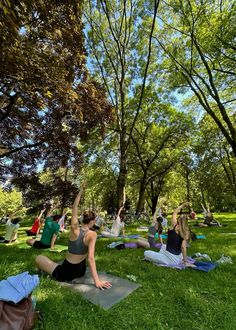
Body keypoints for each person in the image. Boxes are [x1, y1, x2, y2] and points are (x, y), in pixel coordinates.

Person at [35, 186, 112, 289]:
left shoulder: (74, 229)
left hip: (66, 273)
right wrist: (96, 281)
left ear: (82, 219)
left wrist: (81, 191)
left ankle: (43, 269)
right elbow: (90, 258)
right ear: (92, 222)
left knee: (39, 258)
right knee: (52, 264)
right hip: (81, 270)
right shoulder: (93, 234)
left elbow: (74, 207)